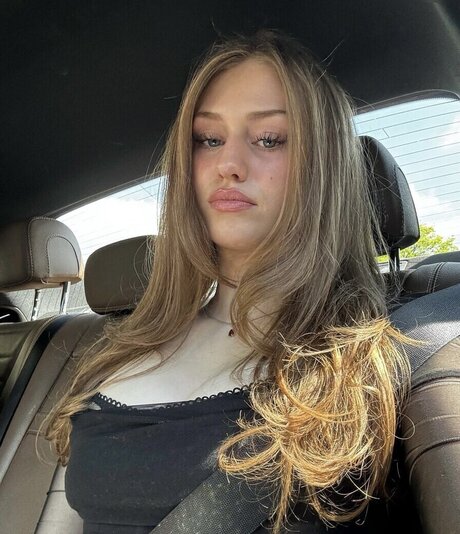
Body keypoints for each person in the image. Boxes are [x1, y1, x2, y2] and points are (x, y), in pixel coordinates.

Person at [43, 29, 413, 533]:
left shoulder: (380, 365)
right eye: (209, 140)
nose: (229, 166)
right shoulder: (119, 350)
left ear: (324, 167)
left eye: (270, 139)